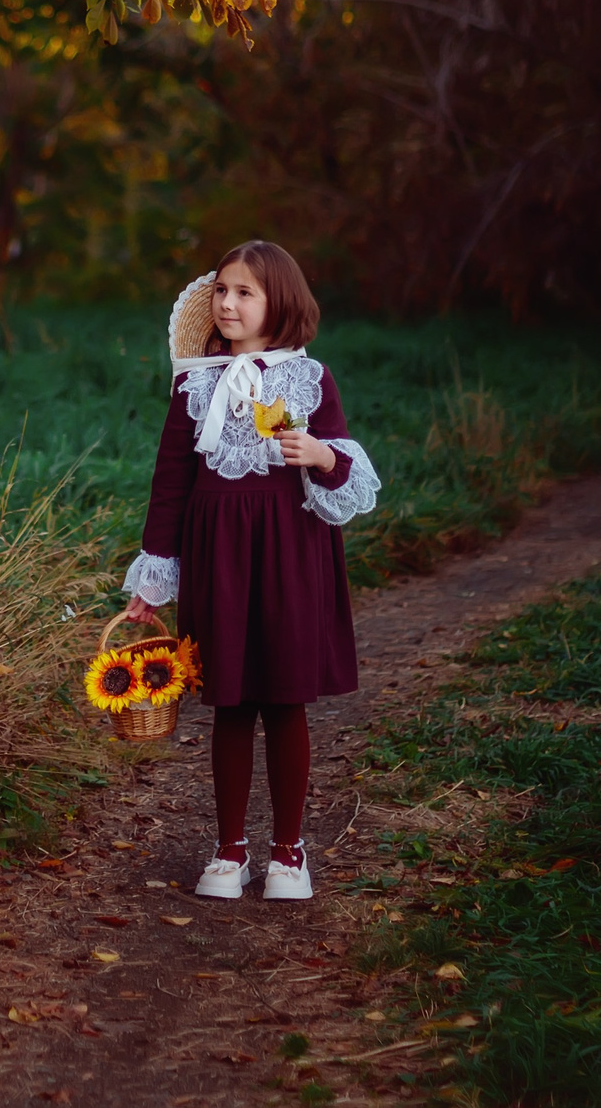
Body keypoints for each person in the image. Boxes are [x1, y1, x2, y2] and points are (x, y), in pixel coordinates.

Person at [119, 241, 381, 901]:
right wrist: (154, 578)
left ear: (280, 303)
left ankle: (289, 852)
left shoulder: (309, 379)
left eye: (245, 292)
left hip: (292, 550)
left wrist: (318, 453)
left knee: (284, 699)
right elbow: (170, 484)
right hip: (220, 558)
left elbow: (346, 474)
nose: (228, 303)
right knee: (230, 703)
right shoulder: (193, 382)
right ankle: (229, 849)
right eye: (224, 291)